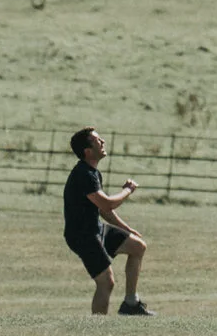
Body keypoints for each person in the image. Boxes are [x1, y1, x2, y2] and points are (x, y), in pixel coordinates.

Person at [64, 127, 152, 315]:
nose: (102, 141)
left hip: (95, 228)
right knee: (106, 282)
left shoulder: (92, 172)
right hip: (82, 236)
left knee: (138, 247)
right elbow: (107, 204)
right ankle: (97, 327)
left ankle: (131, 304)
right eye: (97, 140)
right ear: (88, 151)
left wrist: (127, 229)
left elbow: (103, 210)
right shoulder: (84, 174)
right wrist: (128, 190)